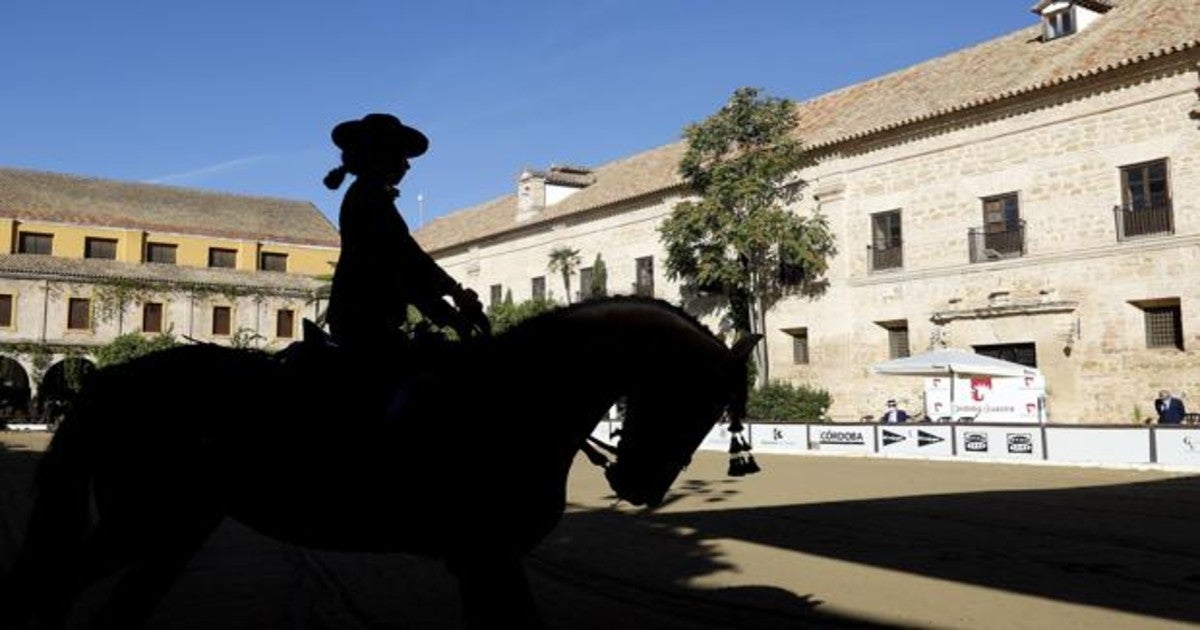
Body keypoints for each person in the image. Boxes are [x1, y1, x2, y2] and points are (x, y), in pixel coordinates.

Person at [322, 113, 488, 350]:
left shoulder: (366, 195)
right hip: (365, 322)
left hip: (360, 318)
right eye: (401, 156)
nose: (407, 164)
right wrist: (453, 304)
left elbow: (408, 264)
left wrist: (451, 302)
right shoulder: (371, 198)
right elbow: (406, 263)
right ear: (382, 156)